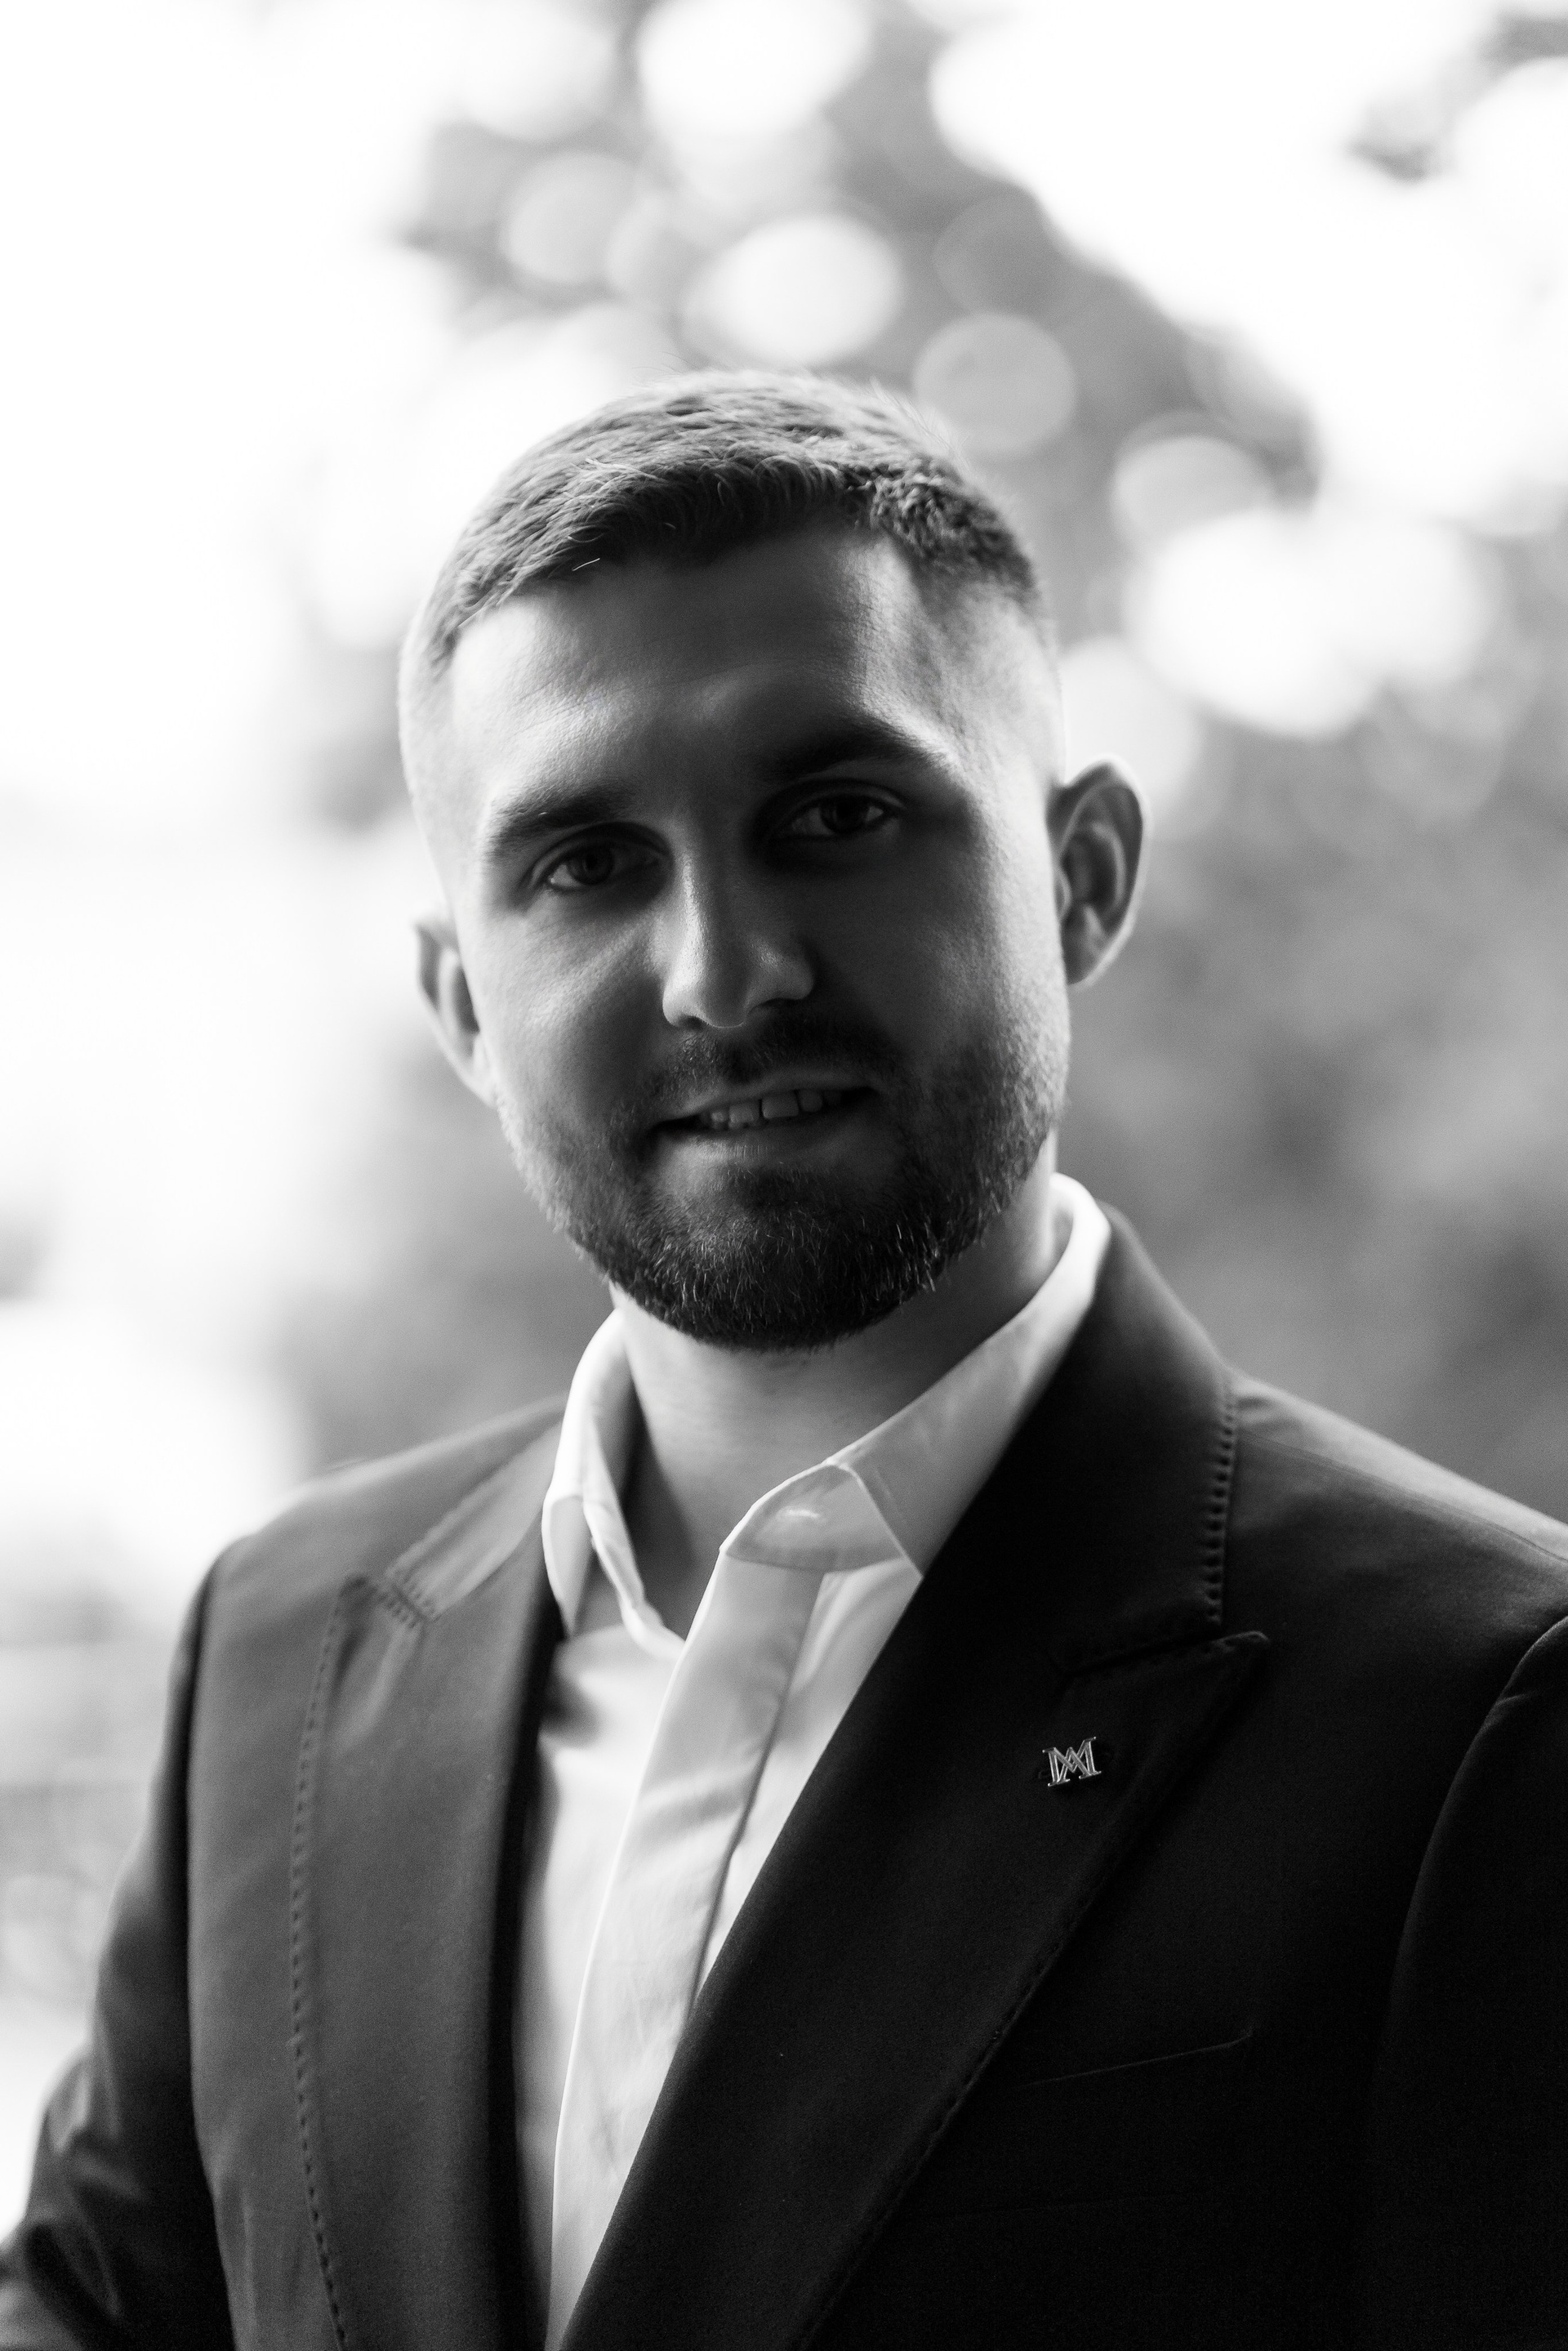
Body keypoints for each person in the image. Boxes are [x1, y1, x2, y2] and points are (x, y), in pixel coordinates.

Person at [3, 373, 1566, 2351]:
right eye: (587, 862)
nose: (724, 970)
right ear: (461, 1000)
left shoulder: (1489, 1711)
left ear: (1082, 874)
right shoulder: (276, 1646)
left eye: (835, 816)